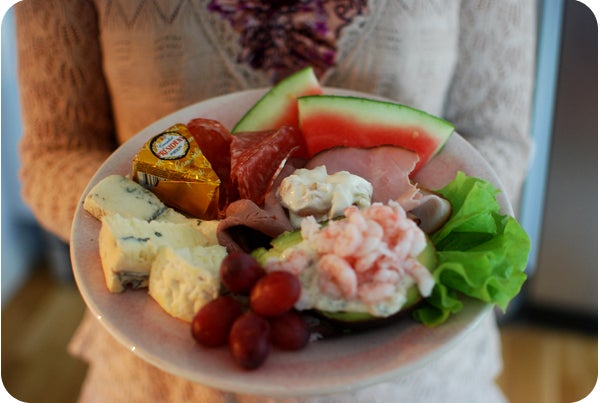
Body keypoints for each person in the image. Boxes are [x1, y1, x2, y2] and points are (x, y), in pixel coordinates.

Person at [14, 0, 536, 401]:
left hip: (418, 378)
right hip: (161, 374)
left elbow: (500, 139)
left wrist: (399, 232)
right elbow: (54, 155)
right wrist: (149, 238)